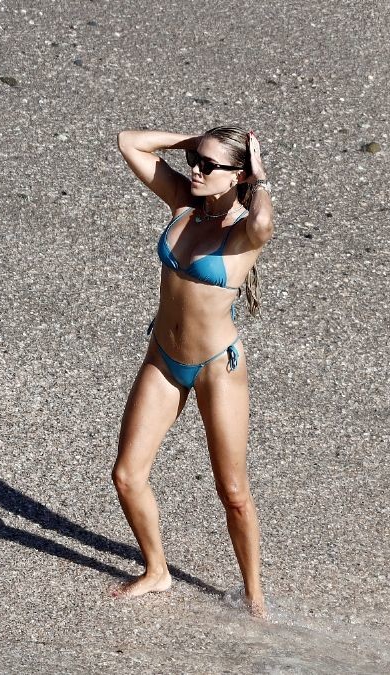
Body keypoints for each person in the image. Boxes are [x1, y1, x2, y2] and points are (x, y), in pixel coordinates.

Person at [111, 125, 274, 618]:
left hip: (216, 367)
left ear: (238, 176)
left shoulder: (243, 230)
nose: (196, 172)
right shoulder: (184, 202)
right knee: (127, 476)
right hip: (163, 357)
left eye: (208, 166)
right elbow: (129, 141)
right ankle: (157, 571)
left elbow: (264, 223)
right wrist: (195, 144)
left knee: (233, 493)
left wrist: (259, 177)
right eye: (194, 163)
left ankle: (254, 598)